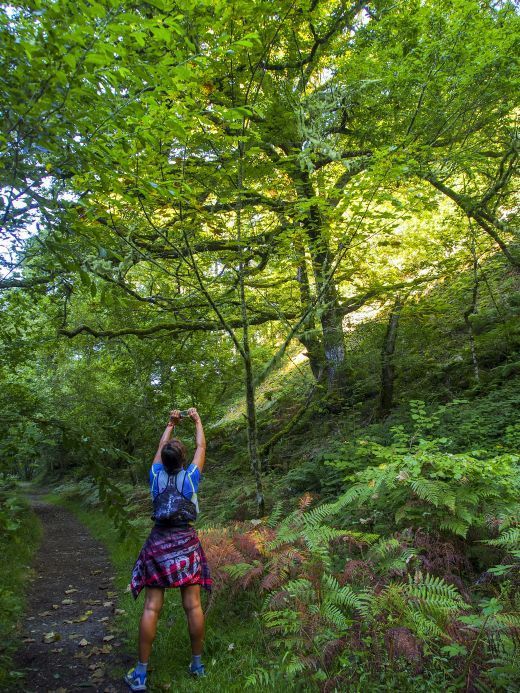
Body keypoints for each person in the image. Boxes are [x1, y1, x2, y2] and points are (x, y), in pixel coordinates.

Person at [124, 408, 212, 691]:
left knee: (152, 606)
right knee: (193, 606)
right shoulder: (190, 478)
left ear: (162, 460)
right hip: (186, 544)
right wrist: (197, 421)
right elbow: (202, 445)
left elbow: (161, 447)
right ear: (184, 460)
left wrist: (170, 424)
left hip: (159, 543)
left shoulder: (154, 475)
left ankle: (140, 674)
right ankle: (197, 665)